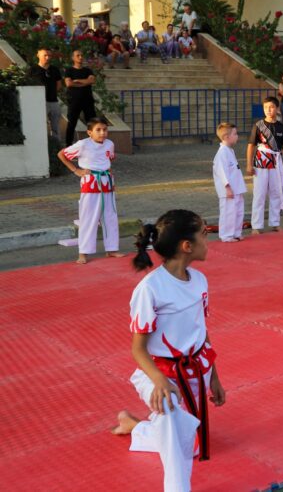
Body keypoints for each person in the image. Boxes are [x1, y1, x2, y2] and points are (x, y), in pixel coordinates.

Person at [112, 210, 226, 492]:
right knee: (173, 424)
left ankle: (137, 427)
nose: (208, 239)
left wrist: (214, 376)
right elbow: (138, 349)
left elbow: (201, 333)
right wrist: (159, 382)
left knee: (187, 442)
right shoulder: (150, 288)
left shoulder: (199, 281)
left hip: (196, 369)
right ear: (187, 246)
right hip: (158, 373)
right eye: (204, 234)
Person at [58, 117, 121, 264]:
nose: (102, 133)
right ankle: (83, 253)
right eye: (98, 130)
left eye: (105, 129)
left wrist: (111, 179)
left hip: (107, 183)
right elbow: (62, 154)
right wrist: (76, 170)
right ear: (89, 132)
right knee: (88, 218)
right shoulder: (83, 144)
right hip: (90, 182)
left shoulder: (110, 144)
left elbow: (107, 161)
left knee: (110, 217)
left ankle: (111, 249)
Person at [245, 97, 283, 234]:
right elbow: (251, 145)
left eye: (271, 107)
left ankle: (275, 223)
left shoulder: (282, 126)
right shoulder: (258, 125)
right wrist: (249, 164)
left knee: (276, 193)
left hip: (276, 162)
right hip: (261, 161)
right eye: (265, 107)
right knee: (259, 194)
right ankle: (256, 226)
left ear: (277, 109)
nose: (268, 110)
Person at [212, 123, 247, 242]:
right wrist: (227, 188)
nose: (237, 136)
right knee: (228, 212)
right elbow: (221, 172)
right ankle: (226, 235)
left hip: (236, 187)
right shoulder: (222, 153)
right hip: (229, 190)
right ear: (226, 137)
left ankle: (236, 232)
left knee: (238, 211)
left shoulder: (229, 151)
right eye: (235, 134)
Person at [63, 49, 98, 146]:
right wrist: (84, 82)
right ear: (73, 58)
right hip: (74, 101)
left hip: (88, 101)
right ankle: (68, 145)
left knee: (92, 123)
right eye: (78, 55)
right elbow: (69, 83)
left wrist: (77, 81)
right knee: (71, 123)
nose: (80, 57)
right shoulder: (69, 70)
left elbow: (91, 81)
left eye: (82, 55)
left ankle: (94, 144)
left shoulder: (87, 70)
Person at [28, 48, 62, 140]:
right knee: (40, 124)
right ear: (38, 55)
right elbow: (28, 84)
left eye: (49, 56)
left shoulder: (54, 69)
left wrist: (52, 92)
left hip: (53, 101)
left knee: (55, 126)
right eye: (45, 55)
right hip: (39, 102)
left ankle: (56, 146)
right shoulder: (33, 69)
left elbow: (59, 84)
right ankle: (41, 143)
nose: (47, 57)